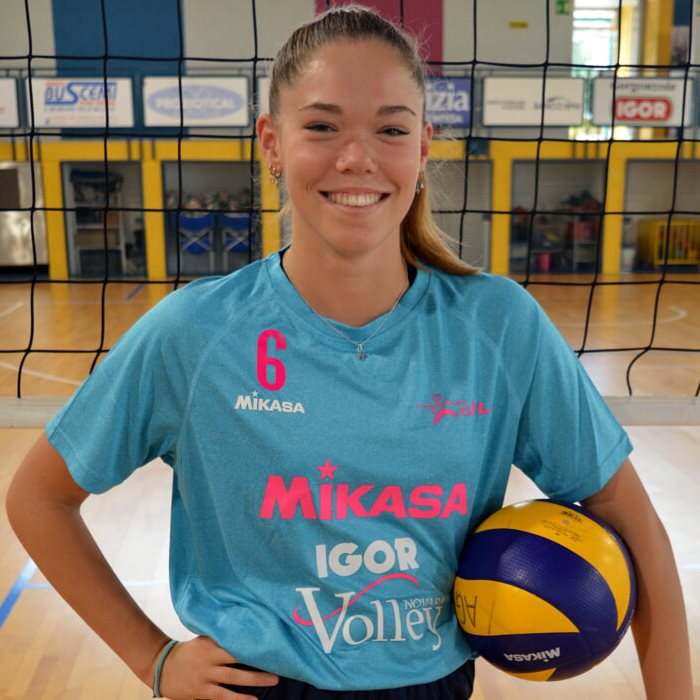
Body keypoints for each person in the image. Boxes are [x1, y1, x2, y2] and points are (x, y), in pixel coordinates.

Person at [5, 6, 693, 700]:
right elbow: (38, 497)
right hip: (254, 685)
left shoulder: (499, 326)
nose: (357, 157)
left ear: (423, 148)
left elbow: (627, 516)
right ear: (272, 143)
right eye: (323, 126)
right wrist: (151, 658)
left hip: (432, 685)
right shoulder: (196, 333)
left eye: (391, 129)